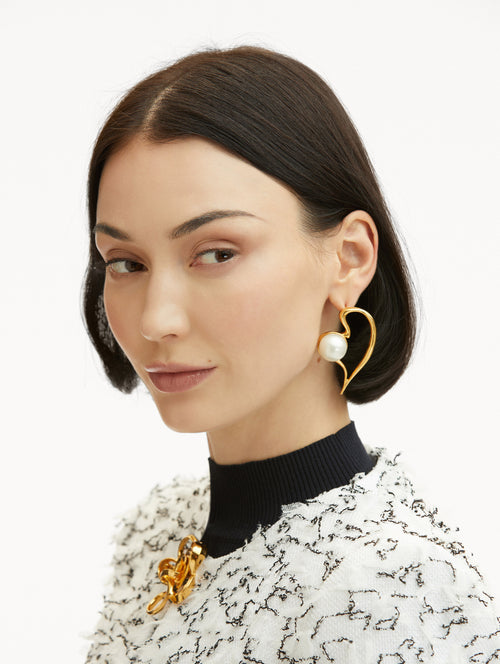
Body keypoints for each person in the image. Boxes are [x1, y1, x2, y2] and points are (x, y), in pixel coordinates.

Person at [83, 45, 500, 662]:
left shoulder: (391, 588)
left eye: (216, 253)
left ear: (349, 258)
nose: (156, 320)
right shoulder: (157, 530)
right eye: (125, 263)